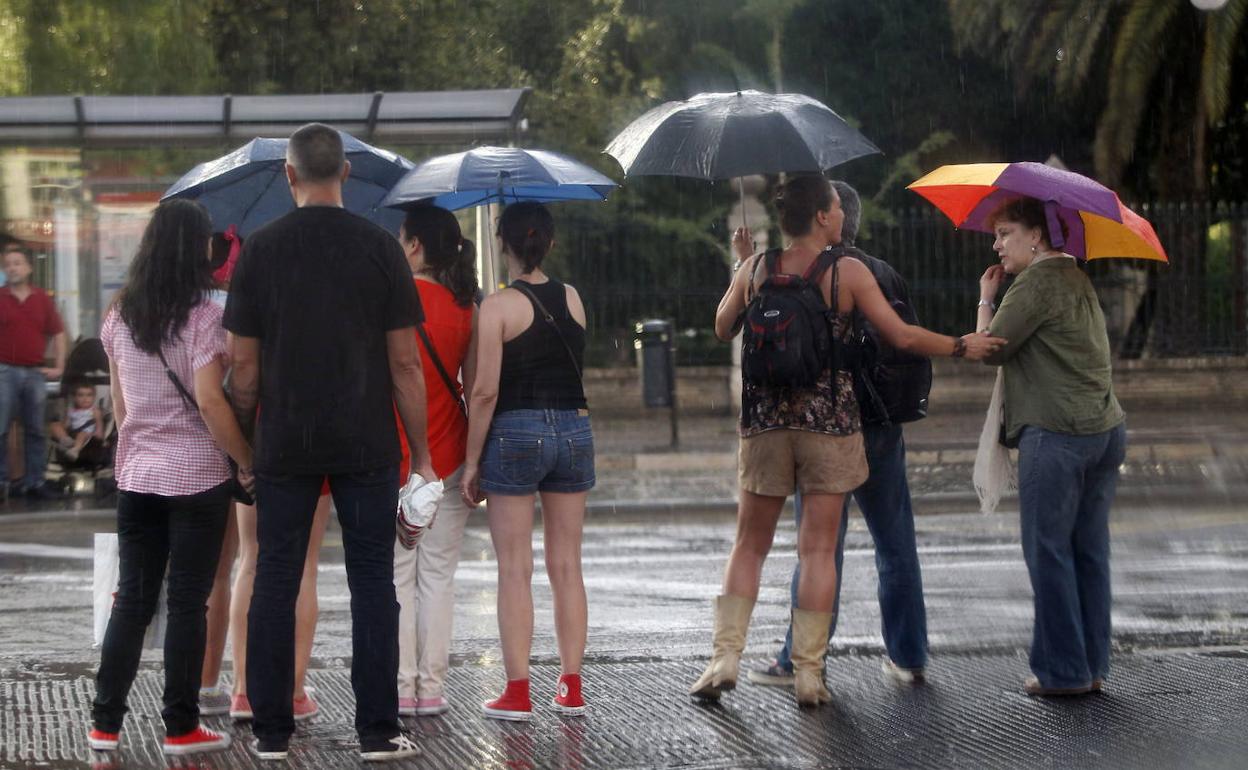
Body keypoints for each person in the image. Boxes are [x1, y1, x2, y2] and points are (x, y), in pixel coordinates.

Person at [702, 174, 1003, 707]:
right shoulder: (847, 271)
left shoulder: (756, 268)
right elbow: (903, 337)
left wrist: (742, 267)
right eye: (837, 205)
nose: (842, 212)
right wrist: (961, 345)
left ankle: (725, 658)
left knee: (749, 545)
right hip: (829, 428)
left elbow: (724, 326)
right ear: (822, 217)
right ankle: (810, 675)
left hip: (765, 426)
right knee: (819, 551)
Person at [224, 122, 433, 762]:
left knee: (275, 580)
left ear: (290, 175)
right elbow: (405, 365)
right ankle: (377, 731)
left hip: (283, 440)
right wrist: (421, 455)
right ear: (344, 173)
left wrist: (246, 446)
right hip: (366, 439)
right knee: (373, 581)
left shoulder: (259, 251)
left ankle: (270, 731)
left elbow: (245, 370)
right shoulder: (380, 249)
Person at [741, 181, 932, 689]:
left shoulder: (796, 273)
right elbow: (906, 345)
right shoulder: (880, 272)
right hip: (881, 425)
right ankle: (909, 654)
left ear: (831, 217)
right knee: (895, 542)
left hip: (826, 426)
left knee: (819, 548)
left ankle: (802, 658)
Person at [88, 198, 254, 756]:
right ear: (197, 249)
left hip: (136, 475)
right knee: (187, 601)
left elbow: (124, 408)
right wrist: (246, 461)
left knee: (131, 600)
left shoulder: (118, 314)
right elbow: (211, 403)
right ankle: (180, 727)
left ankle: (104, 724)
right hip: (197, 478)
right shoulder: (207, 317)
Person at [975, 196, 1126, 696]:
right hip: (1104, 430)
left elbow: (988, 349)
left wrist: (984, 298)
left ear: (1036, 235)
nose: (996, 244)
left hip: (1057, 435)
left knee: (1049, 553)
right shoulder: (1076, 276)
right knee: (1089, 551)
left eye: (1005, 233)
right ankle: (1092, 664)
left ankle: (1064, 671)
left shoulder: (1036, 283)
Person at [461, 201, 594, 722]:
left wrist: (472, 462)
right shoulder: (574, 299)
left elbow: (486, 391)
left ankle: (518, 692)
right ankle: (572, 685)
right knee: (567, 565)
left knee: (514, 568)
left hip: (516, 432)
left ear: (504, 245)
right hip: (575, 429)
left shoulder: (497, 307)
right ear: (551, 244)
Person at [197, 227, 330, 723]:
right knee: (305, 567)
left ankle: (244, 690)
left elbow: (239, 380)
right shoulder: (317, 305)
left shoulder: (243, 310)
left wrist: (245, 448)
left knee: (251, 561)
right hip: (313, 442)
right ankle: (293, 691)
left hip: (260, 441)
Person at [392, 205, 478, 718]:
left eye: (402, 240)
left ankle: (401, 688)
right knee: (439, 578)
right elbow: (474, 386)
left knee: (398, 576)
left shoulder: (392, 302)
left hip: (397, 457)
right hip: (449, 457)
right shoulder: (468, 307)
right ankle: (432, 689)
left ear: (416, 246)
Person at [1, 243, 67, 501]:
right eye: (7, 265)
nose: (12, 268)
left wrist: (60, 366)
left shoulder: (41, 299)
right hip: (4, 370)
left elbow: (58, 333)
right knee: (1, 429)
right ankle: (2, 482)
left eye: (17, 263)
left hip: (34, 371)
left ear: (28, 268)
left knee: (36, 430)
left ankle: (35, 482)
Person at [49, 381, 107, 465]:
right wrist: (61, 429)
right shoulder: (72, 411)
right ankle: (67, 441)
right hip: (72, 434)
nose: (85, 398)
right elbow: (66, 425)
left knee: (82, 434)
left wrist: (99, 435)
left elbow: (99, 425)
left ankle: (75, 450)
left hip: (89, 435)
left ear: (94, 397)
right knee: (55, 425)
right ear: (75, 398)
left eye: (89, 395)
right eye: (80, 395)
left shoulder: (94, 411)